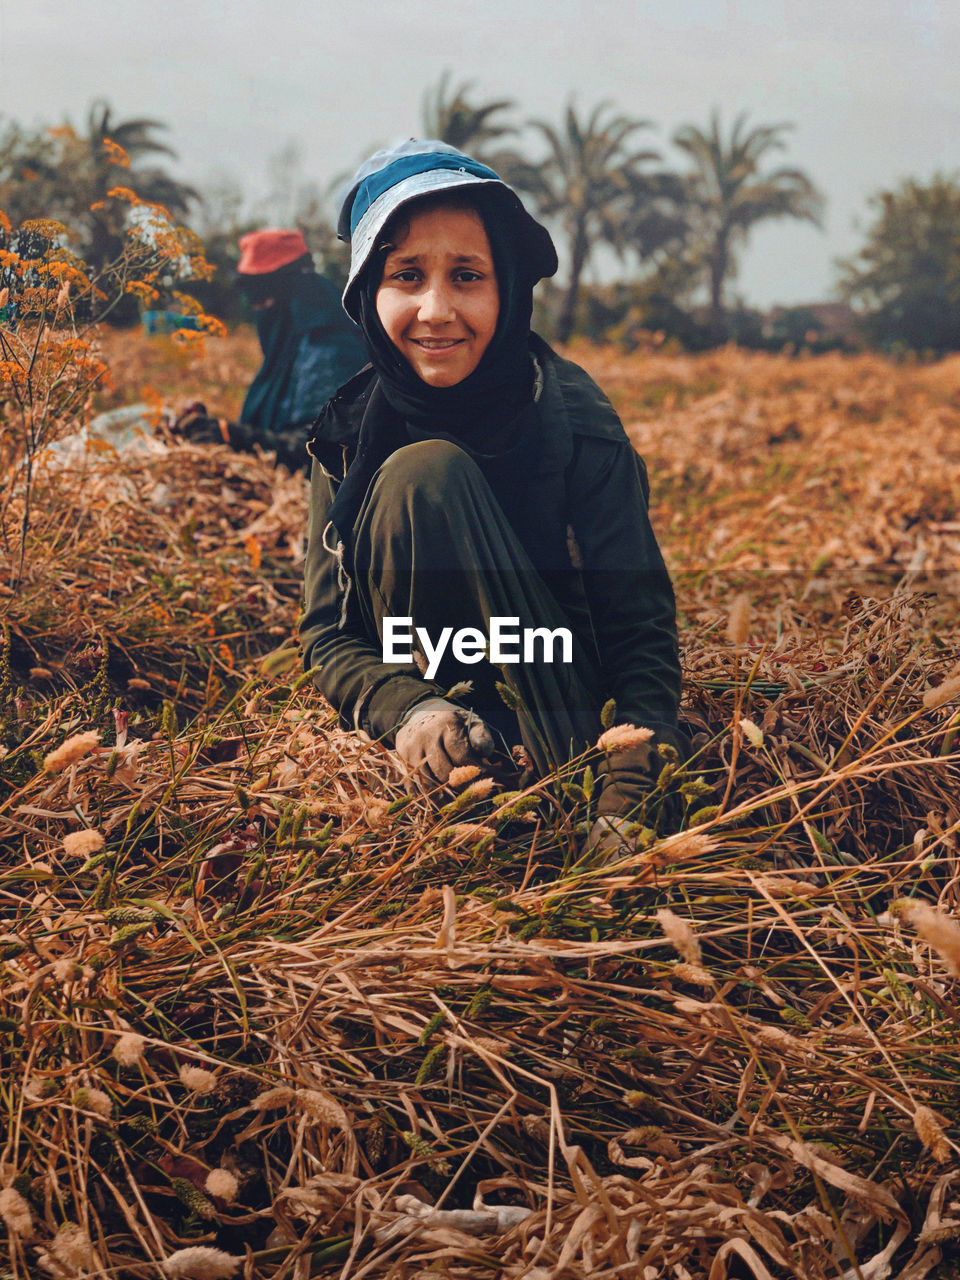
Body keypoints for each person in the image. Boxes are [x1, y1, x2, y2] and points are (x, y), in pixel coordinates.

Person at [299, 140, 684, 849]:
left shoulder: (574, 421)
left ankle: (535, 796)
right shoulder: (345, 436)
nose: (437, 309)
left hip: (561, 722)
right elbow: (329, 634)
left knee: (428, 474)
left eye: (467, 276)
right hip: (430, 731)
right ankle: (462, 780)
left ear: (507, 288)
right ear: (365, 294)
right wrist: (408, 708)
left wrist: (627, 796)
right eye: (407, 275)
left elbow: (641, 638)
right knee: (420, 472)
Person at [174, 229, 367, 471]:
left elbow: (318, 449)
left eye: (265, 303)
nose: (262, 314)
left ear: (294, 294)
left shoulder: (329, 348)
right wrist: (209, 428)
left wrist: (232, 436)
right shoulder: (292, 347)